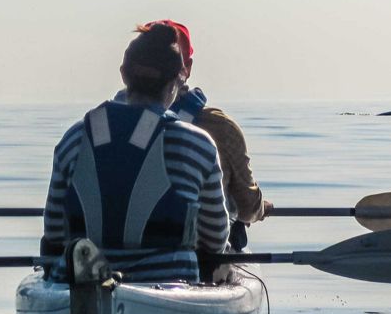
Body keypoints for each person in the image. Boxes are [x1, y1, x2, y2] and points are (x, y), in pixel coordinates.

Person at [40, 23, 229, 282]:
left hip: (80, 287)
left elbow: (54, 233)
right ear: (179, 78)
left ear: (123, 74)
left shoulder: (75, 138)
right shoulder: (198, 145)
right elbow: (215, 239)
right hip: (169, 288)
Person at [121, 20, 272, 249]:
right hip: (189, 264)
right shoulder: (215, 133)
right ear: (183, 70)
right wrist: (262, 208)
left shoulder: (93, 134)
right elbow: (247, 208)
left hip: (110, 260)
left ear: (127, 72)